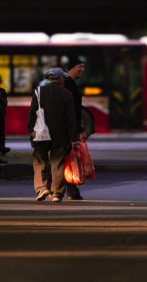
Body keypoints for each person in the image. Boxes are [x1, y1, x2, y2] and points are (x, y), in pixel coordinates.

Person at [28, 67, 79, 202]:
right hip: (60, 134)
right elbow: (71, 119)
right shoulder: (66, 94)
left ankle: (42, 188)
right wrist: (74, 138)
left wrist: (31, 130)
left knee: (40, 161)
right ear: (61, 78)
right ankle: (57, 193)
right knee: (58, 163)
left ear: (50, 78)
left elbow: (32, 113)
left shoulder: (39, 92)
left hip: (40, 132)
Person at [62, 57, 87, 200]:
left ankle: (69, 189)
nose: (82, 70)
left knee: (68, 158)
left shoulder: (70, 84)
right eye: (80, 66)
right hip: (68, 129)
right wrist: (77, 129)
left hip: (69, 127)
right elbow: (72, 111)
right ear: (72, 68)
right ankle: (69, 189)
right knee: (69, 158)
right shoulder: (68, 85)